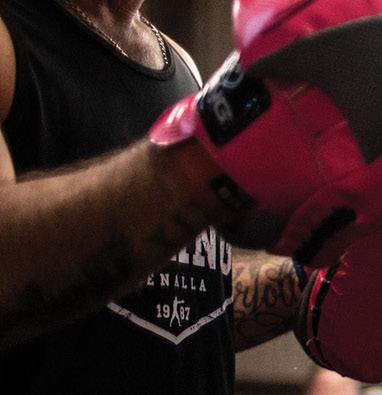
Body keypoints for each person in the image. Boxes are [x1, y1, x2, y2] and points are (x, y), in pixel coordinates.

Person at [0, 0, 300, 393]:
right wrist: (201, 162)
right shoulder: (8, 40)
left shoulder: (181, 66)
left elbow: (176, 314)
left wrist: (306, 283)